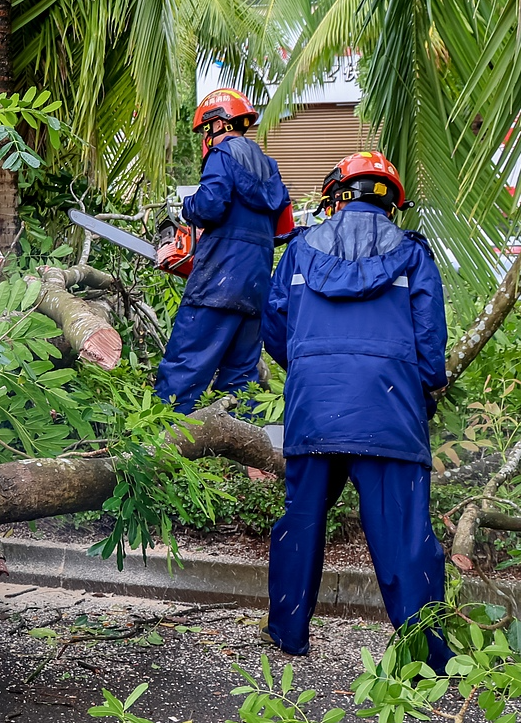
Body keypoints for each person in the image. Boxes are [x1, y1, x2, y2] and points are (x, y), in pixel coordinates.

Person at [262, 151, 450, 671]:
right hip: (389, 412)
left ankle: (287, 635)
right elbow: (430, 346)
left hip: (313, 409)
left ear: (333, 199)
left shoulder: (298, 253)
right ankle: (428, 658)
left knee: (301, 522)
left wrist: (309, 366)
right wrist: (427, 390)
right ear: (391, 204)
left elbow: (275, 330)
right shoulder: (413, 255)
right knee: (406, 538)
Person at [156, 88, 293, 412]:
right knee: (240, 377)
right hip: (256, 285)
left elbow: (210, 206)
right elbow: (283, 227)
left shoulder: (223, 155)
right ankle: (238, 455)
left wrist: (188, 206)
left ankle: (157, 445)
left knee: (185, 366)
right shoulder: (269, 167)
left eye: (206, 130)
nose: (207, 137)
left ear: (217, 123)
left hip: (218, 281)